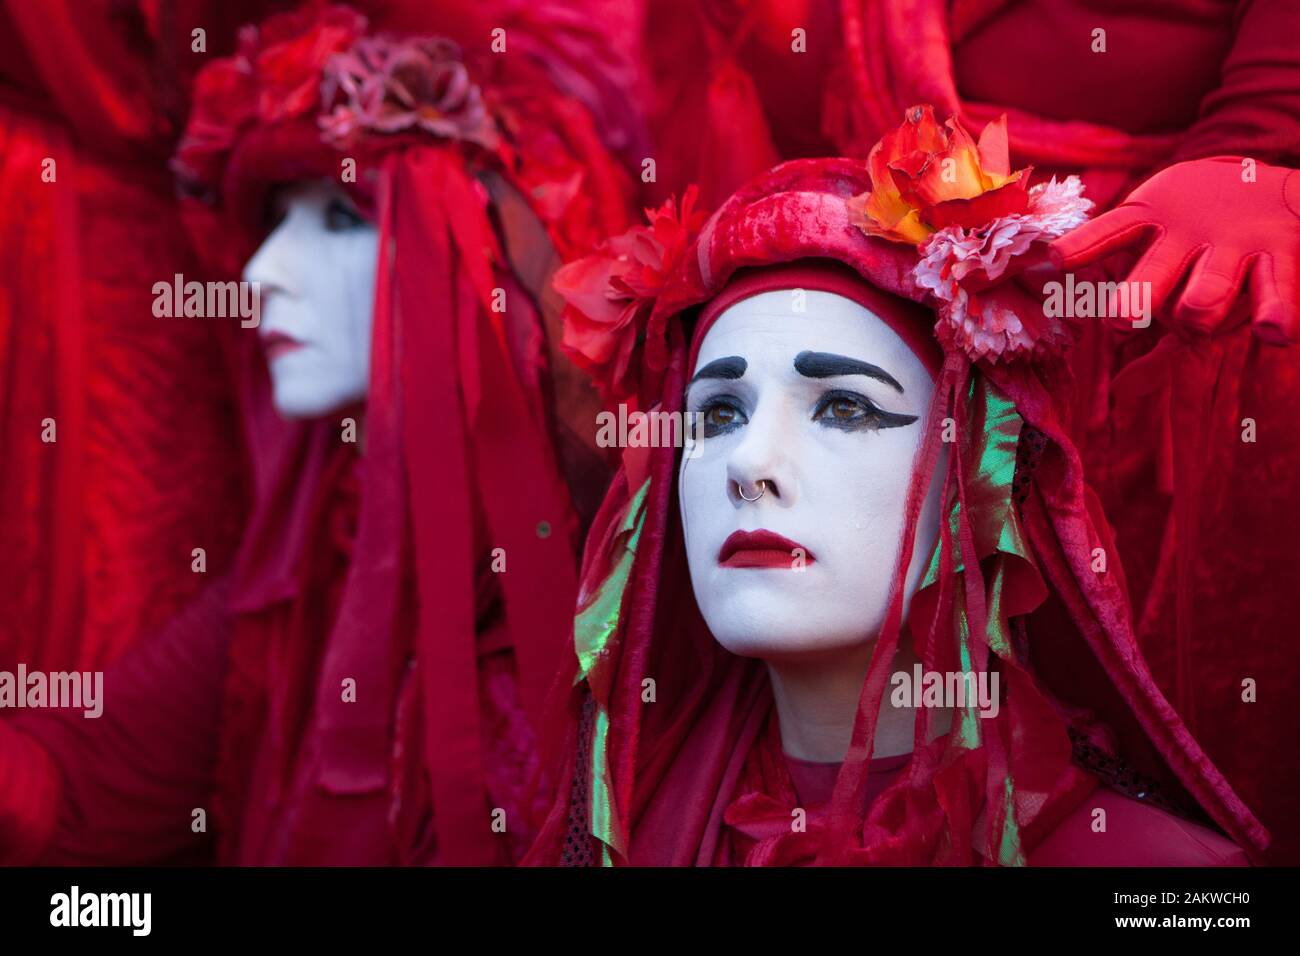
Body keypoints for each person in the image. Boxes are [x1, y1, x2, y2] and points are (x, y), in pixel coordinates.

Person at [524, 112, 1267, 865]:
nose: (750, 465)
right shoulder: (629, 838)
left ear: (978, 474)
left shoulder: (1162, 877)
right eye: (716, 413)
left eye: (845, 407)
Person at [0, 0, 636, 866]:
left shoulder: (609, 602)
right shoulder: (307, 568)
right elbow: (82, 782)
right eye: (270, 222)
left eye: (338, 218)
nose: (261, 273)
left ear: (476, 261)